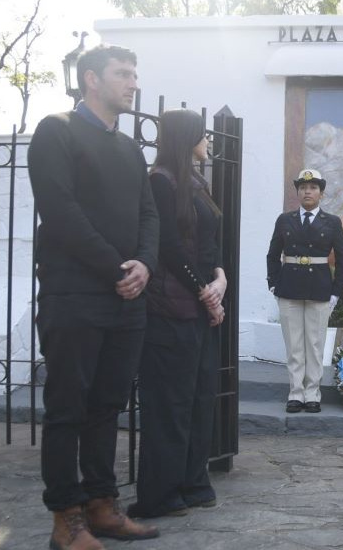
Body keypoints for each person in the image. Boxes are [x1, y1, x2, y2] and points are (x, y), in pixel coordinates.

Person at [28, 44, 160, 549]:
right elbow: (60, 212)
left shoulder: (129, 149)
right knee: (68, 408)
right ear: (90, 79)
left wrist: (144, 264)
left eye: (134, 73)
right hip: (74, 294)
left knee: (107, 406)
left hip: (126, 298)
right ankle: (67, 519)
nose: (132, 82)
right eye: (122, 73)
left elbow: (150, 215)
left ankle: (102, 505)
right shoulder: (56, 130)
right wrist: (115, 268)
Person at [128, 109, 227, 519]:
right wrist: (204, 291)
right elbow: (167, 245)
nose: (209, 143)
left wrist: (219, 278)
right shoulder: (160, 182)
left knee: (199, 399)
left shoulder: (198, 184)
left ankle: (192, 483)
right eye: (204, 136)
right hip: (171, 309)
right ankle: (161, 493)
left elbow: (207, 241)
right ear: (187, 138)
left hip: (200, 307)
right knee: (168, 403)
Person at [267, 169, 343, 413]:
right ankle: (295, 393)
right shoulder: (285, 220)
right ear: (298, 192)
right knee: (294, 345)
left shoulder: (332, 222)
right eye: (303, 188)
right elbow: (273, 254)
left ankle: (313, 393)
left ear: (321, 193)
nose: (307, 191)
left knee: (314, 344)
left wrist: (337, 292)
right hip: (289, 287)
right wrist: (273, 283)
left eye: (313, 187)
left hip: (320, 288)